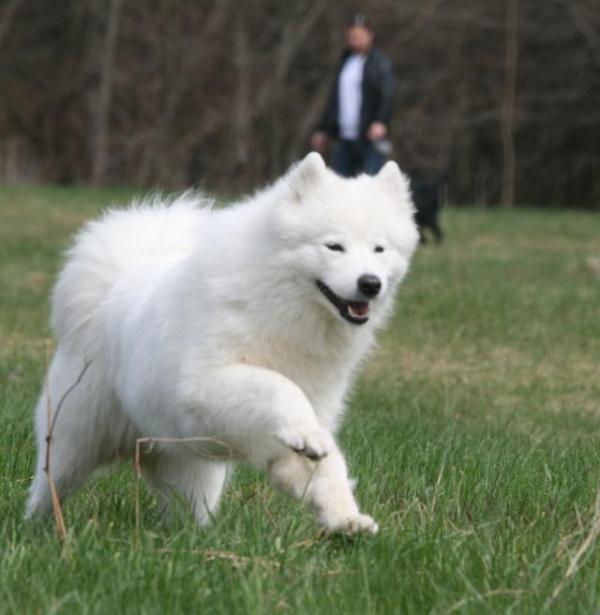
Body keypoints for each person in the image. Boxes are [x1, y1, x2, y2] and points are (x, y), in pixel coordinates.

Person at [310, 14, 394, 177]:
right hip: (345, 136)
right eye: (352, 35)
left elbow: (387, 95)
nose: (355, 38)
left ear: (370, 35)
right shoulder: (344, 63)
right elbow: (334, 100)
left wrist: (381, 121)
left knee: (371, 184)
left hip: (370, 137)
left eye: (359, 34)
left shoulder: (381, 64)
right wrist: (323, 129)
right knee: (339, 184)